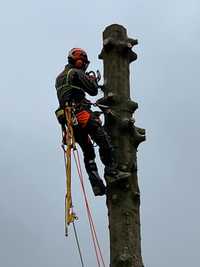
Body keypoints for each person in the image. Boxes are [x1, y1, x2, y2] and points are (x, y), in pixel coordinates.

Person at [55, 48, 129, 196]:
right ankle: (112, 171)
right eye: (83, 63)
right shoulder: (75, 73)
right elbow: (93, 90)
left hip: (70, 123)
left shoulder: (60, 77)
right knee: (103, 140)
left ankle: (96, 184)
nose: (83, 66)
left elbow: (72, 94)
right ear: (78, 61)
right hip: (80, 114)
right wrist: (93, 81)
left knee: (88, 152)